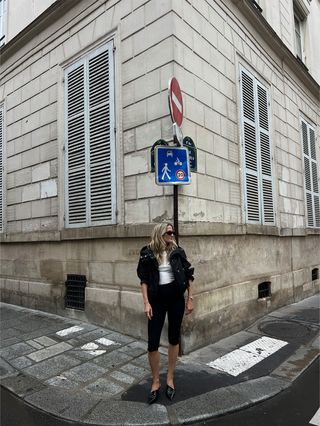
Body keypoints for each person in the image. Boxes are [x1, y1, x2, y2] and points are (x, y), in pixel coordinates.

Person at [137, 222, 194, 404]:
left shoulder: (177, 252)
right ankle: (155, 382)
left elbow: (189, 275)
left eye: (172, 232)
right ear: (159, 234)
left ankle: (169, 378)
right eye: (168, 232)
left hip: (176, 299)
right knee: (152, 343)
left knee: (173, 338)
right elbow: (144, 280)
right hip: (156, 301)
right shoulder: (147, 253)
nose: (171, 235)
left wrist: (190, 298)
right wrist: (146, 303)